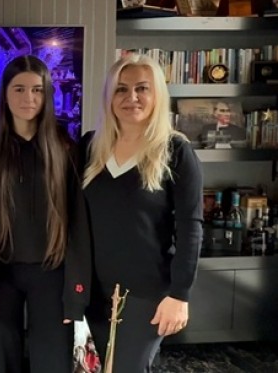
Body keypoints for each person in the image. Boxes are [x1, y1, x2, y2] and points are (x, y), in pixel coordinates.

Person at [81, 54, 203, 372]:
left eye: (142, 88)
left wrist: (180, 295)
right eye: (121, 89)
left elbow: (190, 228)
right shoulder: (89, 148)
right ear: (109, 96)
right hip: (92, 293)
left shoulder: (176, 151)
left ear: (156, 94)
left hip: (147, 294)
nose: (131, 97)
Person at [0, 55, 91, 373]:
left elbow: (78, 222)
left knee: (52, 362)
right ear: (4, 94)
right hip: (0, 274)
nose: (28, 98)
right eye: (19, 89)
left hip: (52, 274)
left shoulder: (66, 148)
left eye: (37, 90)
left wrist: (76, 292)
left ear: (48, 95)